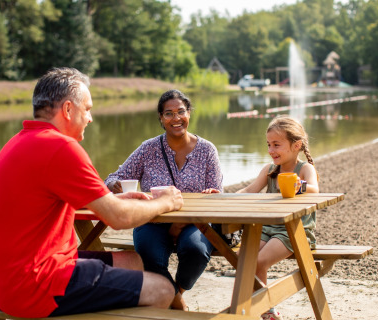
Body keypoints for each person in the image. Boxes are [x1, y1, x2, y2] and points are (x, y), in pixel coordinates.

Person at [0, 67, 183, 318]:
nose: (90, 118)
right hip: (37, 287)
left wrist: (110, 199)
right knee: (163, 290)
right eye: (87, 109)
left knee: (134, 261)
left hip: (9, 284)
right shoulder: (61, 148)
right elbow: (119, 219)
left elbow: (49, 201)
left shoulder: (18, 142)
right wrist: (166, 202)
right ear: (68, 110)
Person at [104, 89, 223, 311]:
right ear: (161, 118)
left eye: (181, 112)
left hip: (194, 222)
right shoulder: (148, 148)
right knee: (148, 252)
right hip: (153, 220)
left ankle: (174, 294)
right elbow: (111, 178)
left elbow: (217, 194)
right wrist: (113, 185)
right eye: (169, 113)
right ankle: (178, 305)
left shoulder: (207, 150)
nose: (176, 118)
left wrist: (212, 196)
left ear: (189, 113)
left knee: (196, 250)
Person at [238, 115, 319, 320]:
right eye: (268, 145)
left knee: (259, 262)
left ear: (296, 145)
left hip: (295, 230)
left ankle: (266, 309)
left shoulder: (304, 169)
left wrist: (296, 186)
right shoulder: (270, 170)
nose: (271, 150)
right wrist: (222, 197)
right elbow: (250, 189)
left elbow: (315, 190)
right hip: (268, 228)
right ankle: (251, 306)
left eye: (276, 145)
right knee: (246, 260)